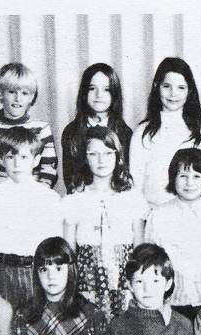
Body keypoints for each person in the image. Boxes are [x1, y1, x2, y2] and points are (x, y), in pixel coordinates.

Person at [61, 126, 146, 320]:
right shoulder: (74, 199)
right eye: (93, 154)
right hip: (87, 277)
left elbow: (140, 248)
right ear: (84, 157)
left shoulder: (132, 197)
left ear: (118, 156)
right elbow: (68, 250)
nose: (101, 160)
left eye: (108, 153)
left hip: (124, 275)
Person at [0, 127, 62, 310]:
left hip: (37, 274)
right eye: (10, 157)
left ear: (36, 160)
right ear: (2, 159)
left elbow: (54, 246)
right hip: (3, 274)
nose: (16, 164)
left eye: (23, 157)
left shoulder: (50, 198)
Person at [144, 148, 201, 321]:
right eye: (183, 176)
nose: (189, 183)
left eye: (197, 176)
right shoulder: (159, 216)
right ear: (173, 178)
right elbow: (150, 263)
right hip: (169, 303)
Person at [129, 57, 201, 208]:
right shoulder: (143, 132)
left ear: (189, 91)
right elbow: (135, 186)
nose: (173, 93)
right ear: (157, 87)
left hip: (194, 218)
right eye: (167, 86)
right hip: (154, 215)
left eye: (181, 87)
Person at [0, 62, 58, 194]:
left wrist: (39, 194)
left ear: (32, 97)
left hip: (32, 199)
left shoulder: (42, 128)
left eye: (24, 93)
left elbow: (49, 167)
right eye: (11, 92)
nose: (18, 98)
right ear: (0, 93)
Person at [60, 63, 133, 193]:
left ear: (114, 94)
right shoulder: (71, 132)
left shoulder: (124, 133)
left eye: (106, 89)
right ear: (84, 92)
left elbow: (126, 176)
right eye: (92, 88)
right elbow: (69, 178)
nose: (99, 95)